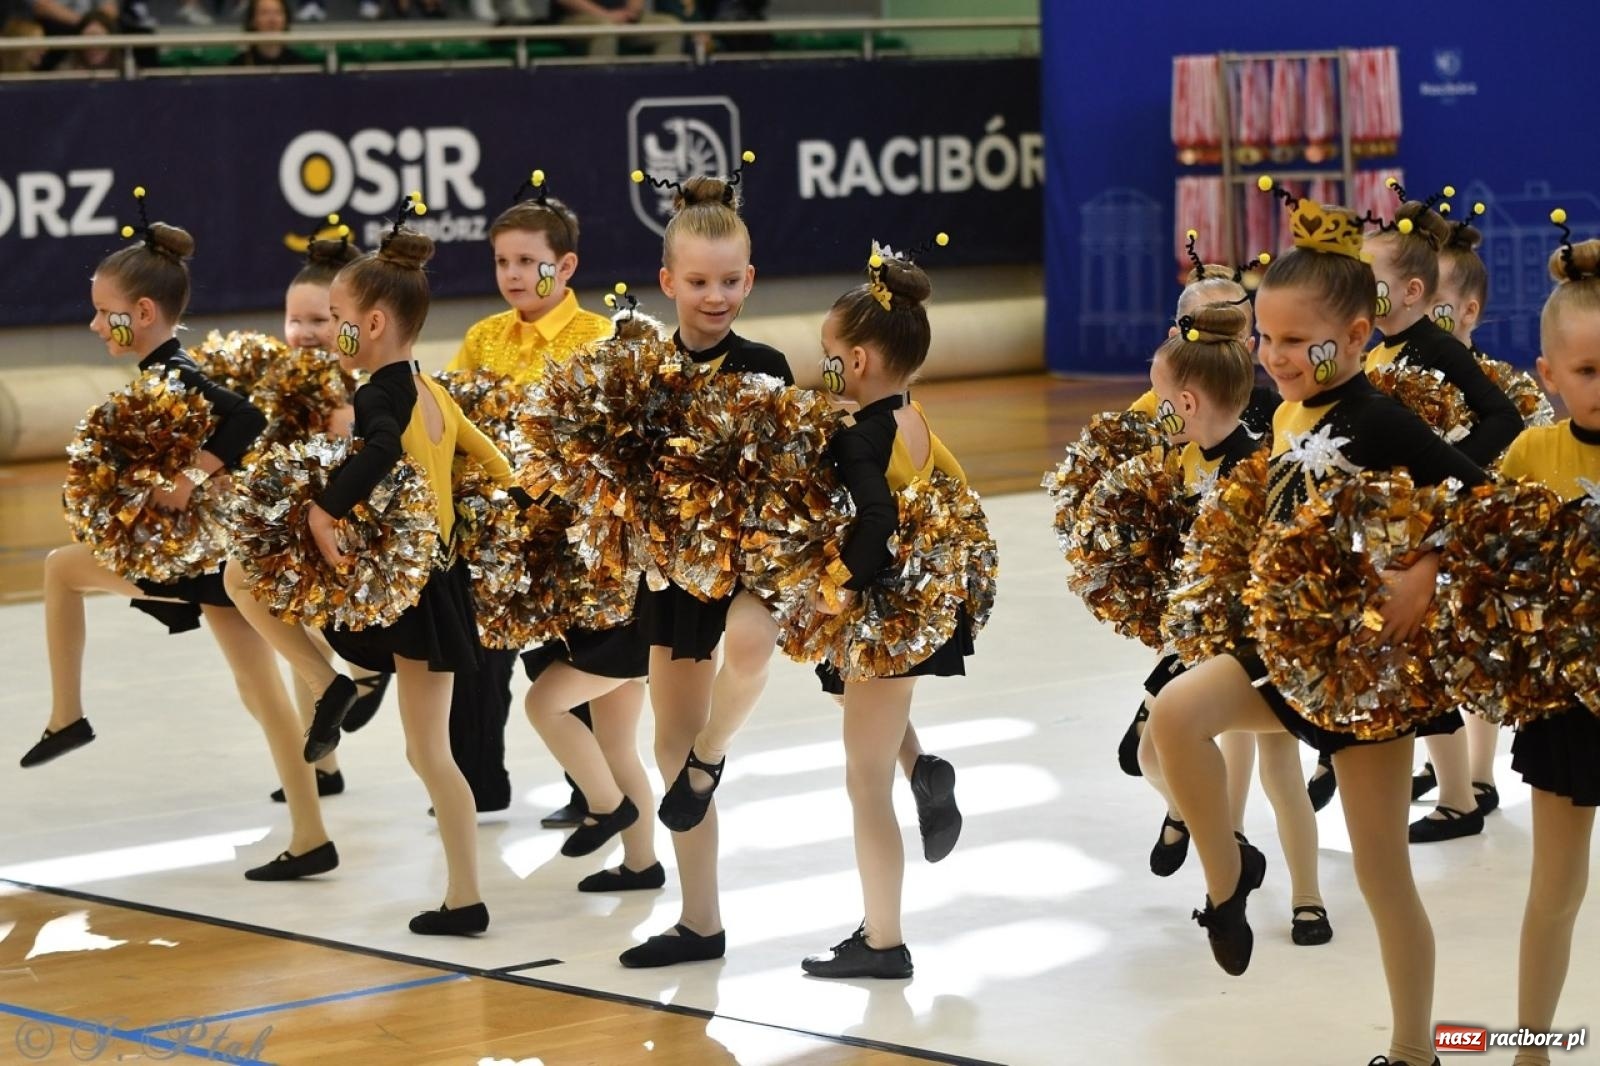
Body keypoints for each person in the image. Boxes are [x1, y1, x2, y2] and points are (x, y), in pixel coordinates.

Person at [1150, 184, 1484, 1066]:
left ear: (1361, 334)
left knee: (1382, 874)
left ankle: (1414, 1049)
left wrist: (1427, 566)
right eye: (1267, 338)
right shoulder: (1286, 412)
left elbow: (1481, 500)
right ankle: (1227, 886)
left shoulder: (1381, 419)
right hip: (1282, 654)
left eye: (1298, 341)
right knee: (1173, 717)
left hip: (1363, 673)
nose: (1278, 355)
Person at [23, 186, 337, 884]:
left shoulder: (174, 371)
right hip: (209, 559)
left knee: (60, 569)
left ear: (141, 312)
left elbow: (246, 420)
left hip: (197, 564)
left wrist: (193, 477)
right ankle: (312, 834)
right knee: (258, 693)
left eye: (105, 316)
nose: (96, 327)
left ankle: (67, 714)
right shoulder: (159, 372)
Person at [225, 197, 508, 933]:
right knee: (430, 755)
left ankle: (329, 681)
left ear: (373, 324)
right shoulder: (433, 389)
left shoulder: (377, 390)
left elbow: (380, 449)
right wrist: (461, 517)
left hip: (396, 592)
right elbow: (499, 464)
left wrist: (324, 510)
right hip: (439, 586)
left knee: (241, 575)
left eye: (339, 315)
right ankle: (465, 898)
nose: (335, 330)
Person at [617, 166, 791, 968]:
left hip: (751, 567)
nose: (714, 296)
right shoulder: (643, 370)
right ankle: (701, 923)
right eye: (697, 282)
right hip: (673, 579)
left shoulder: (767, 366)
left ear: (749, 280)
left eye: (728, 281)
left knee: (751, 651)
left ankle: (714, 753)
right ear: (667, 281)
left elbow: (791, 476)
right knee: (667, 748)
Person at [797, 245, 977, 979]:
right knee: (874, 720)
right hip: (918, 610)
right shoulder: (913, 419)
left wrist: (836, 581)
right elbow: (959, 492)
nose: (825, 366)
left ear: (862, 359)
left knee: (861, 782)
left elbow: (874, 519)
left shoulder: (858, 435)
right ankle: (924, 765)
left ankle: (884, 942)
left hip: (885, 615)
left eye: (830, 355)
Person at [1135, 300, 1330, 947]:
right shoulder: (1192, 459)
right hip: (1214, 644)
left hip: (1265, 651)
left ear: (1187, 403)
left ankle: (1307, 898)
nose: (1155, 411)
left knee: (1281, 770)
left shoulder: (1258, 466)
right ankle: (1231, 846)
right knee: (1147, 750)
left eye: (1160, 399)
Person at [445, 171, 615, 820]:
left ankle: (590, 791)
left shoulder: (598, 339)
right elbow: (458, 422)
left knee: (564, 662)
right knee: (478, 666)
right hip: (489, 536)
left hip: (560, 535)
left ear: (564, 265)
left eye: (528, 262)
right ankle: (476, 788)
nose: (514, 275)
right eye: (502, 262)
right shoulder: (484, 337)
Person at [1362, 186, 1521, 843]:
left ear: (1410, 289)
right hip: (1394, 527)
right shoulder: (1377, 353)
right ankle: (1450, 787)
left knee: (1420, 656)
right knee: (1407, 659)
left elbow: (1503, 414)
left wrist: (1454, 471)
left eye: (1368, 280)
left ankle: (1461, 795)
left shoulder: (1436, 346)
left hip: (1431, 527)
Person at [1503, 222, 1600, 1066]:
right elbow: (1481, 551)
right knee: (1557, 891)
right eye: (1588, 371)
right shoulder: (1533, 451)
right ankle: (1534, 1048)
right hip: (1568, 710)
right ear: (1549, 376)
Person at [554, 0, 683, 57]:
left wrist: (633, 11)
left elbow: (635, 4)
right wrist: (606, 16)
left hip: (624, 17)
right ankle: (602, 94)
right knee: (605, 30)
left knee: (670, 28)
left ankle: (659, 91)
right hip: (577, 17)